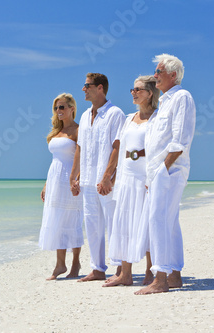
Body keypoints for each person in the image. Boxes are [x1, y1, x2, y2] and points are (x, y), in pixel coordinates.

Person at [135, 54, 196, 295]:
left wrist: (163, 169)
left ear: (173, 75)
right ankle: (175, 276)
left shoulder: (181, 97)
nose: (155, 75)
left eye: (159, 71)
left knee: (158, 221)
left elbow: (180, 139)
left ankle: (160, 278)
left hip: (169, 170)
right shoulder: (165, 101)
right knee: (169, 222)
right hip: (159, 172)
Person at [103, 75, 159, 287]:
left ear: (150, 93)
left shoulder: (157, 118)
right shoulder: (128, 119)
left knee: (146, 223)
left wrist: (152, 176)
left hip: (145, 176)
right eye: (132, 89)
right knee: (124, 222)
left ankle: (149, 271)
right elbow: (119, 148)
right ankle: (125, 274)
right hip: (127, 176)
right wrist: (111, 175)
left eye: (138, 89)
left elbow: (159, 149)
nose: (133, 93)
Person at [70, 73, 125, 282]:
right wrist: (74, 177)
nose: (83, 89)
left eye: (87, 85)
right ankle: (97, 268)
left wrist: (107, 177)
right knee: (92, 224)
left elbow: (117, 147)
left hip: (106, 180)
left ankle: (119, 267)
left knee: (113, 223)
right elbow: (80, 149)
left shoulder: (115, 114)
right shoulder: (84, 116)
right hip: (87, 181)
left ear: (100, 88)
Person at [39, 93, 84, 280]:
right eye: (56, 108)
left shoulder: (78, 130)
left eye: (62, 107)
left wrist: (77, 178)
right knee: (57, 219)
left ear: (72, 108)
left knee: (72, 219)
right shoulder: (55, 132)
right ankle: (60, 264)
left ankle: (75, 263)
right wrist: (46, 184)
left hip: (70, 178)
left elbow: (81, 156)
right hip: (55, 178)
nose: (59, 111)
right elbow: (55, 160)